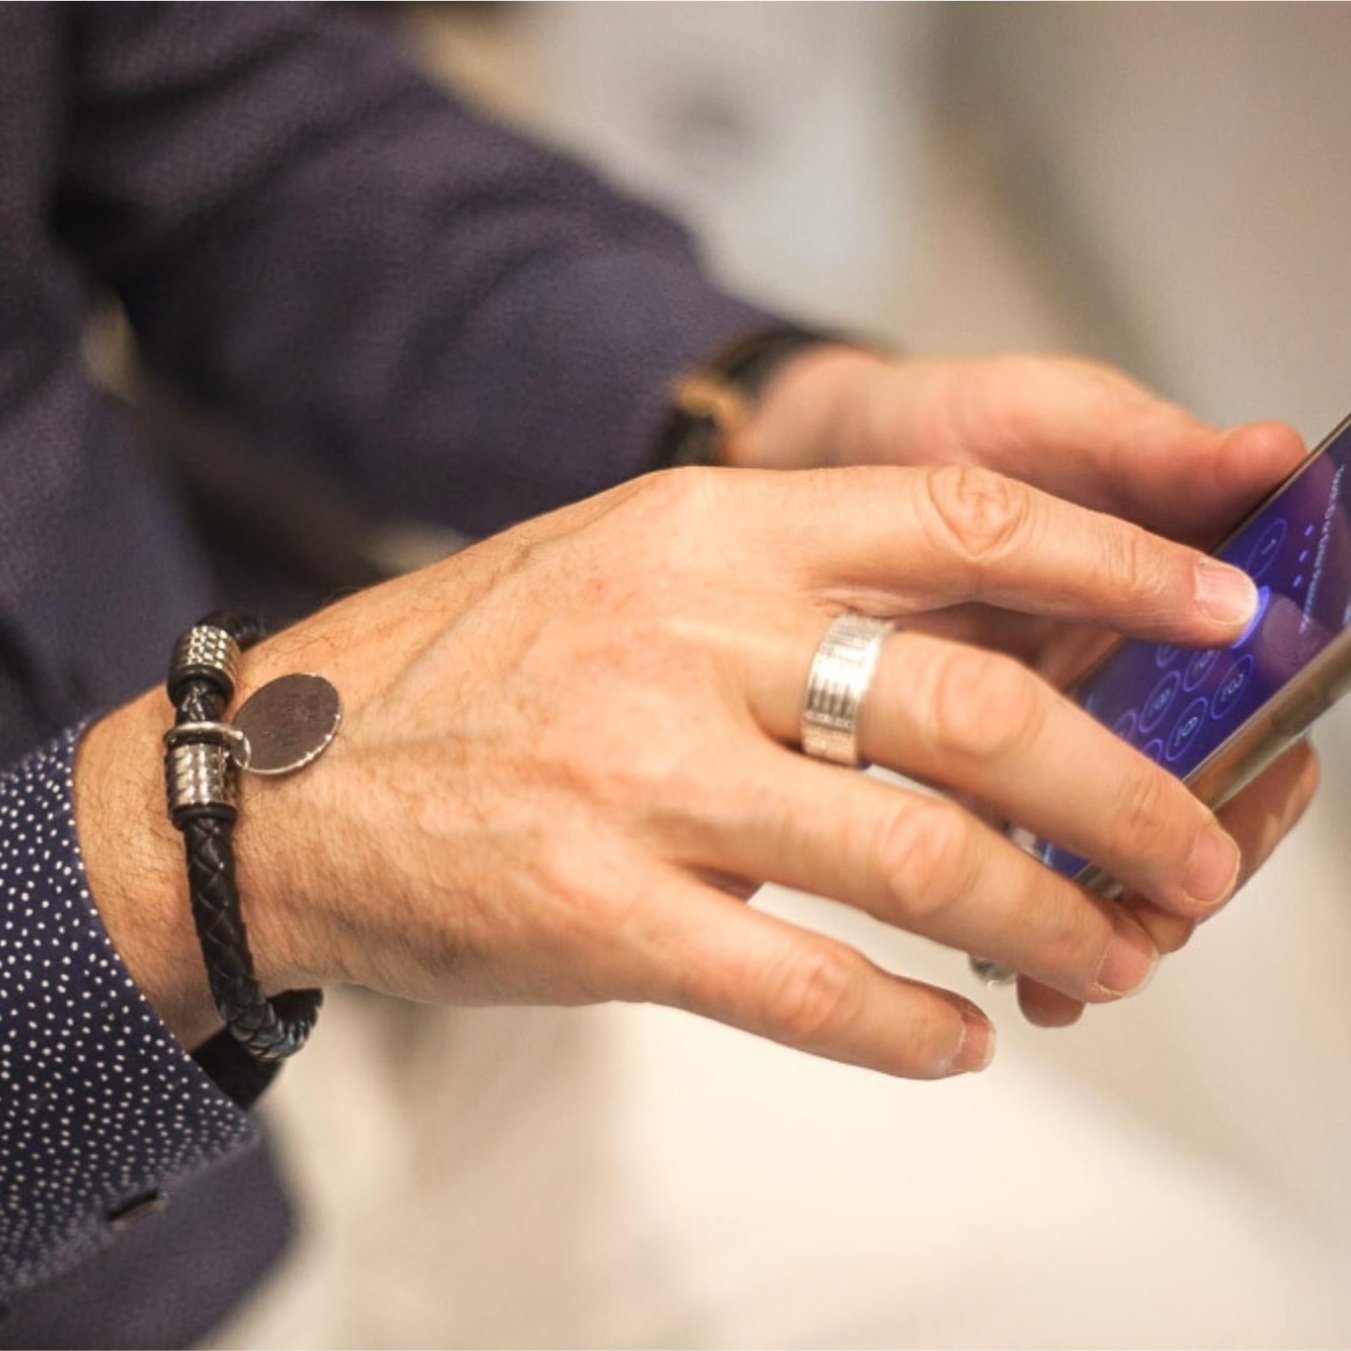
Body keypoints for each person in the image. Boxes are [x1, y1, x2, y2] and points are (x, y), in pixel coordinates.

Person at [0, 4, 1319, 1346]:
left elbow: (227, 125)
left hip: (419, 971)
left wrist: (768, 417)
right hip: (81, 1203)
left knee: (1238, 1305)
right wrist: (215, 856)